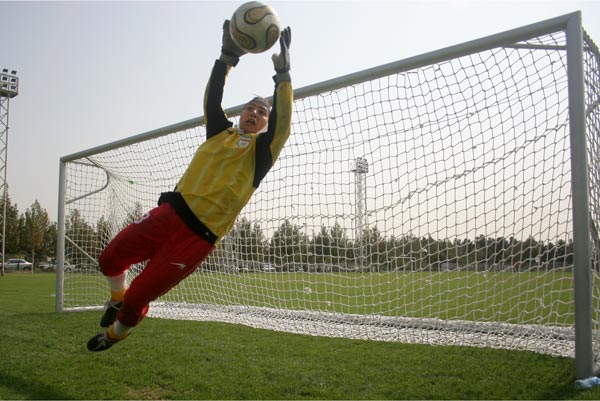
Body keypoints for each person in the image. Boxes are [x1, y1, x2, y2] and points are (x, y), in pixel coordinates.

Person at [87, 21, 293, 352]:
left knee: (140, 295)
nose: (255, 113)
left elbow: (283, 125)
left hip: (197, 239)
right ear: (241, 115)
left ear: (265, 122)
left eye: (262, 112)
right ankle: (116, 299)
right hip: (168, 214)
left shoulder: (261, 152)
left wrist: (283, 77)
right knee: (109, 259)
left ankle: (115, 334)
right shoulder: (218, 132)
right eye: (250, 109)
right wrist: (227, 56)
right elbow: (213, 97)